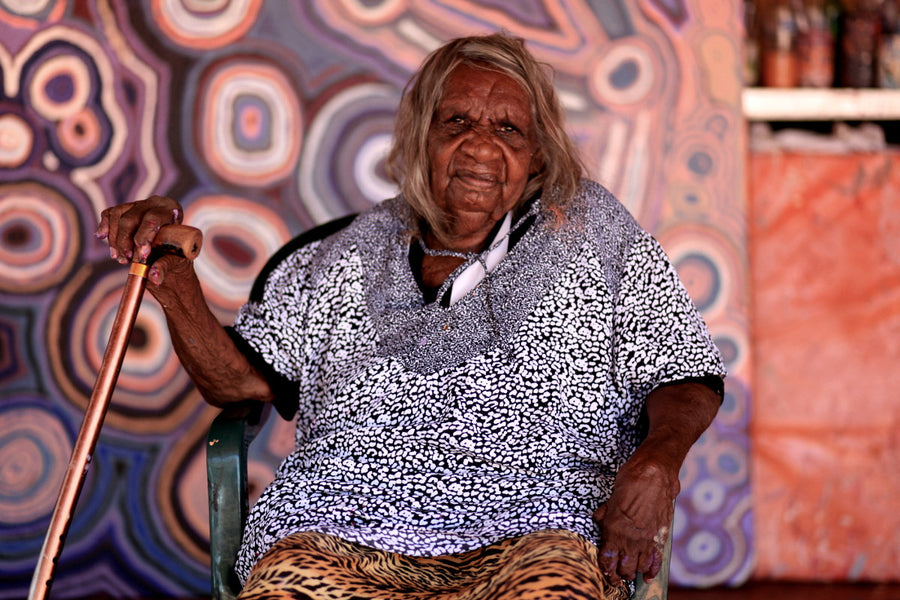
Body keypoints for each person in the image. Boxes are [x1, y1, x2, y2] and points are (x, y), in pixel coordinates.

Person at [98, 33, 724, 600]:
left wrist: (658, 460)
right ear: (421, 136)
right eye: (457, 121)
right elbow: (236, 382)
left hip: (540, 531)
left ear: (537, 155)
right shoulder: (337, 255)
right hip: (331, 530)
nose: (481, 145)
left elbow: (685, 371)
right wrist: (171, 276)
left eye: (509, 129)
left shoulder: (594, 235)